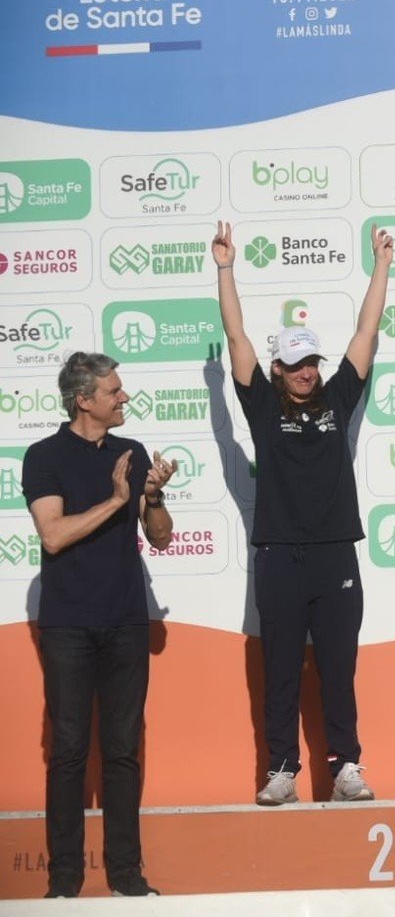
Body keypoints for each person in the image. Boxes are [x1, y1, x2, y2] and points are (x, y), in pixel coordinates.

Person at [211, 219, 391, 805]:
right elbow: (236, 336)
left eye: (311, 360)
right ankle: (282, 770)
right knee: (282, 669)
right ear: (278, 370)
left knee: (339, 669)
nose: (307, 371)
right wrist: (225, 269)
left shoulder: (338, 397)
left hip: (336, 551)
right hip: (279, 557)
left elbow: (367, 331)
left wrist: (382, 265)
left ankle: (346, 766)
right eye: (296, 364)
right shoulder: (262, 406)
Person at [23, 352, 177, 898]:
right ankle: (63, 881)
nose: (124, 398)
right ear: (83, 399)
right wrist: (117, 499)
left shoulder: (131, 452)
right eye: (113, 392)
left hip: (126, 620)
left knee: (121, 750)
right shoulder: (44, 456)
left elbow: (159, 537)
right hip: (68, 625)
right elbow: (54, 535)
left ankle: (126, 875)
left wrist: (150, 497)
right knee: (67, 751)